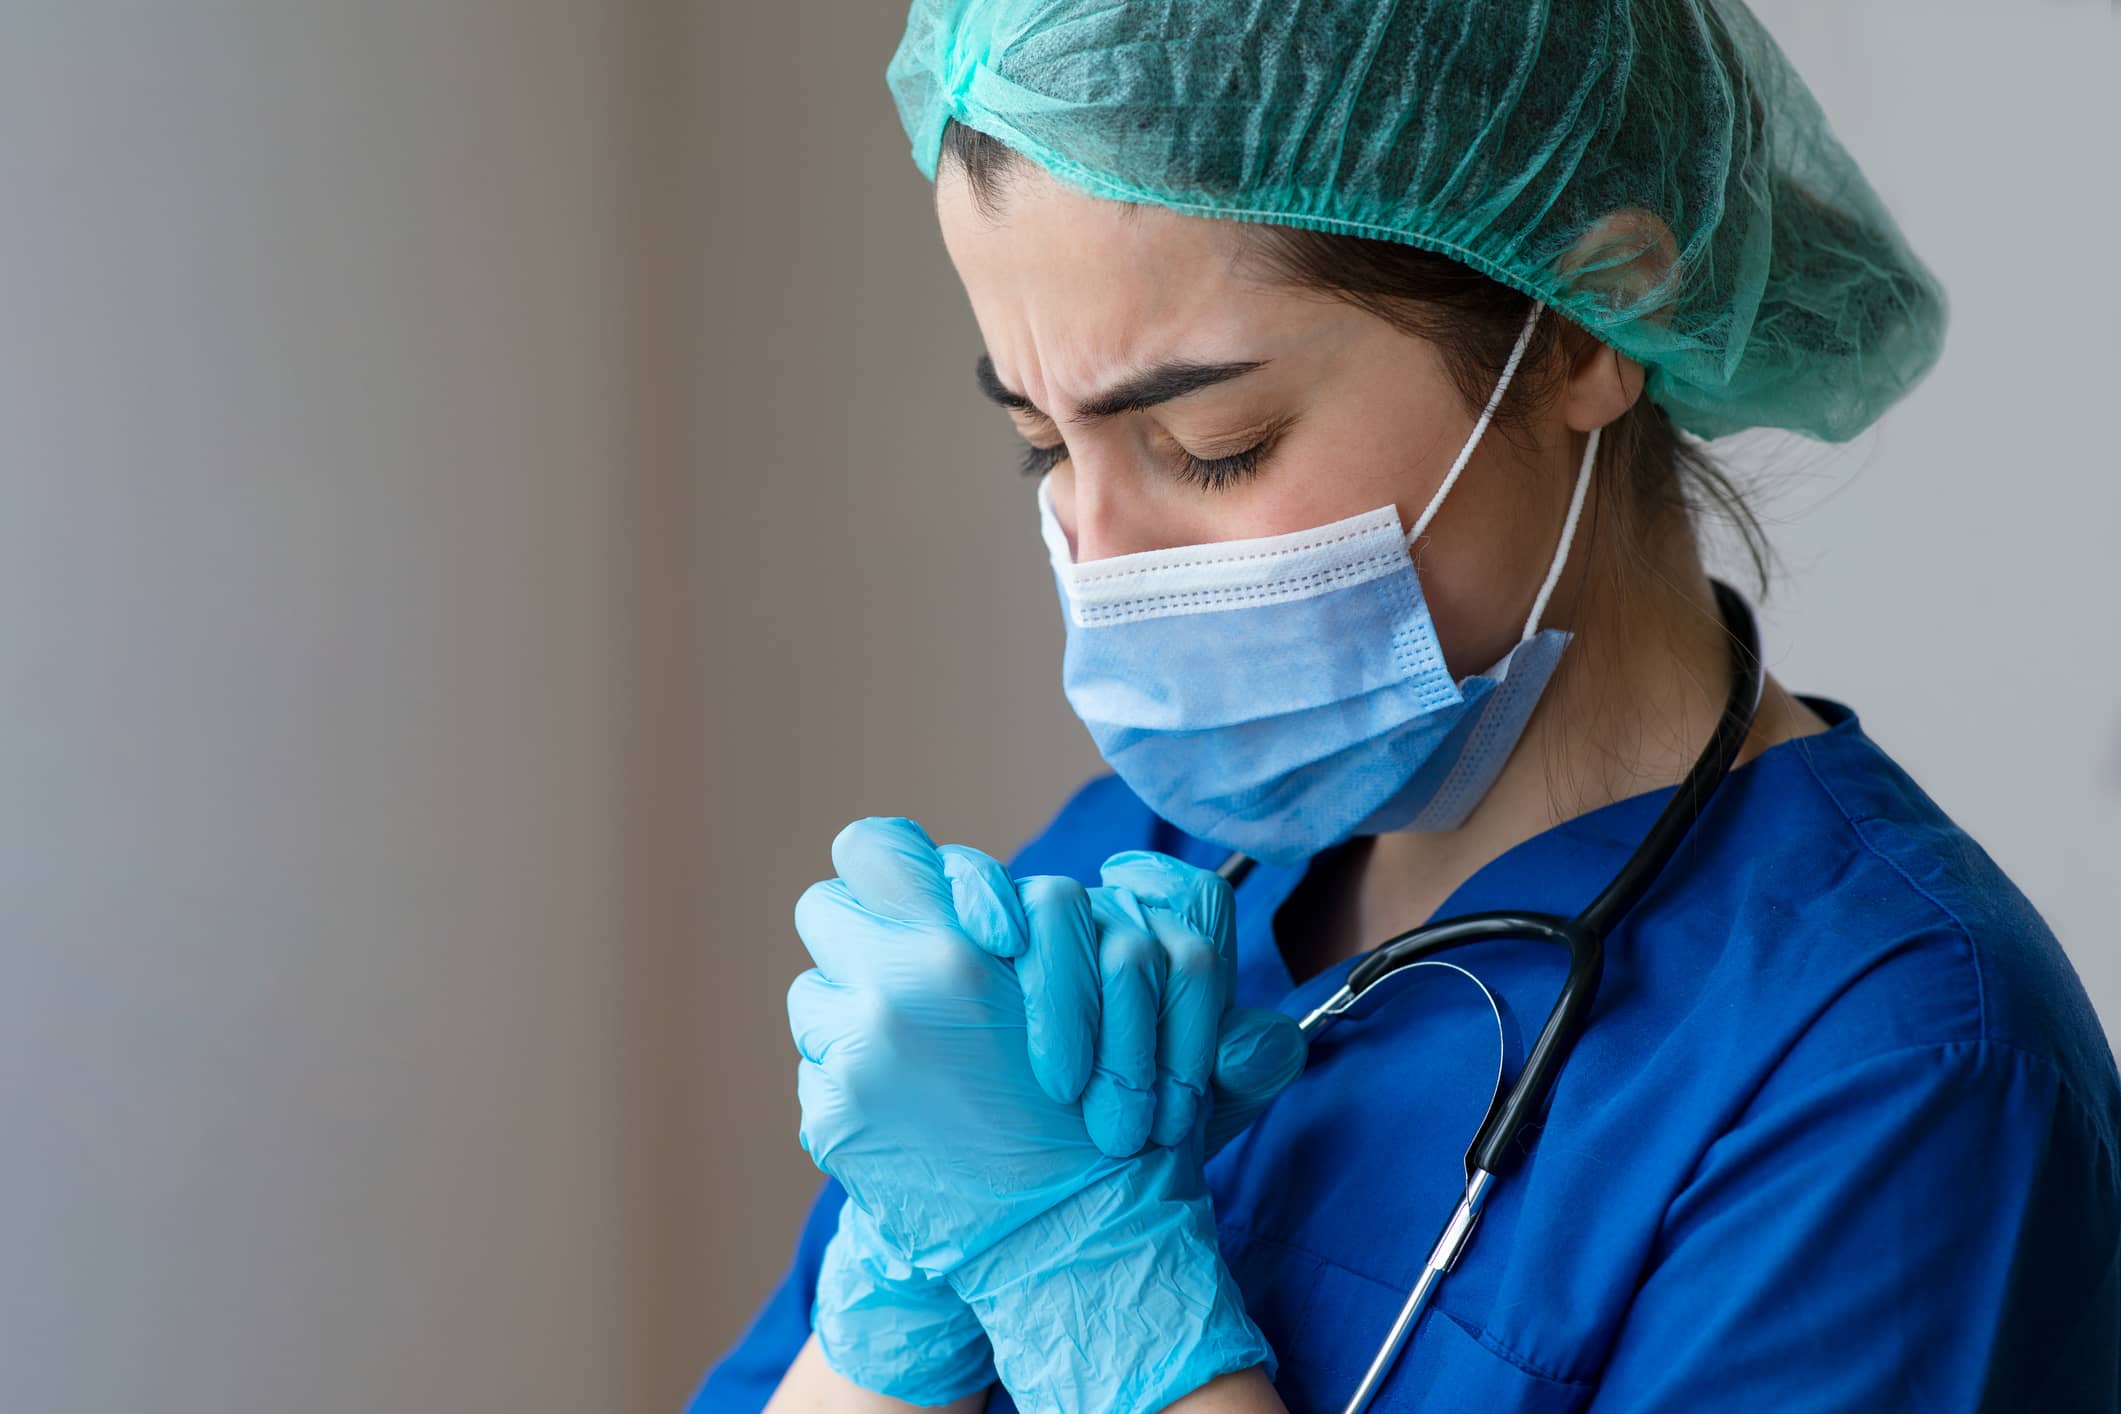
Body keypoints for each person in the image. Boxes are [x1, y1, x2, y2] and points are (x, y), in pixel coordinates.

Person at [694, 2, 2121, 1410]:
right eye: (1039, 449)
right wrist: (896, 1305)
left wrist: (1093, 1292)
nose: (1098, 564)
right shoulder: (1131, 868)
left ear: (1584, 322)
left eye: (1210, 445)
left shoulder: (1897, 1071)